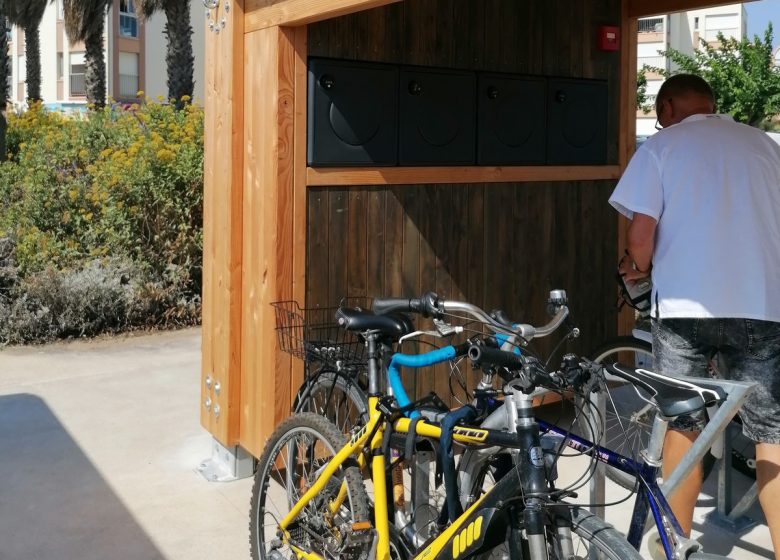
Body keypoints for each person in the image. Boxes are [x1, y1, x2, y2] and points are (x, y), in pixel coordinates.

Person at [609, 73, 780, 556]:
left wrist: (636, 268)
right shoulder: (766, 146)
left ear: (665, 108)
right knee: (771, 432)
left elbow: (640, 240)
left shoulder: (662, 149)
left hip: (684, 309)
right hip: (762, 305)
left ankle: (673, 546)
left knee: (684, 424)